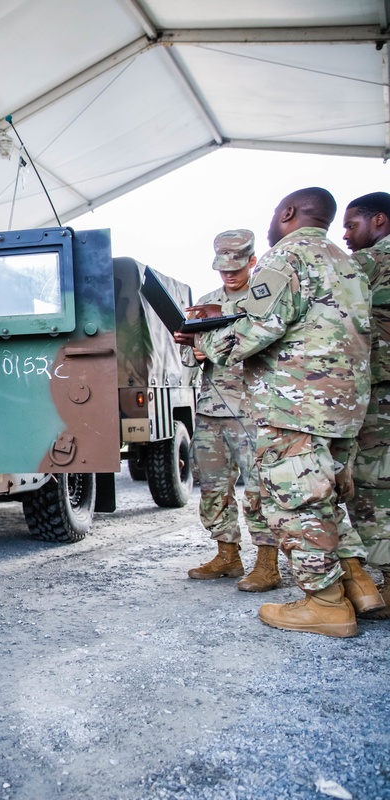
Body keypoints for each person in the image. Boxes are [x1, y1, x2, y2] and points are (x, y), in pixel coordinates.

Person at [193, 187, 384, 637]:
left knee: (297, 503)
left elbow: (250, 334)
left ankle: (325, 603)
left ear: (289, 212)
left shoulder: (287, 257)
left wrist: (199, 339)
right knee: (328, 497)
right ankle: (358, 586)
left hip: (294, 405)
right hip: (344, 406)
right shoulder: (349, 263)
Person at [185, 230, 279, 591]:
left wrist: (216, 344)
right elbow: (189, 355)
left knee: (260, 489)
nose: (228, 274)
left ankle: (268, 564)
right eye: (222, 268)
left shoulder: (264, 301)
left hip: (253, 411)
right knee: (212, 488)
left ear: (253, 261)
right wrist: (193, 351)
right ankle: (227, 556)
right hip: (211, 410)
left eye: (236, 267)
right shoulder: (206, 301)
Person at [342, 191, 390, 617]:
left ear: (379, 220)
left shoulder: (367, 263)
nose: (345, 235)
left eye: (351, 225)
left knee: (373, 484)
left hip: (379, 392)